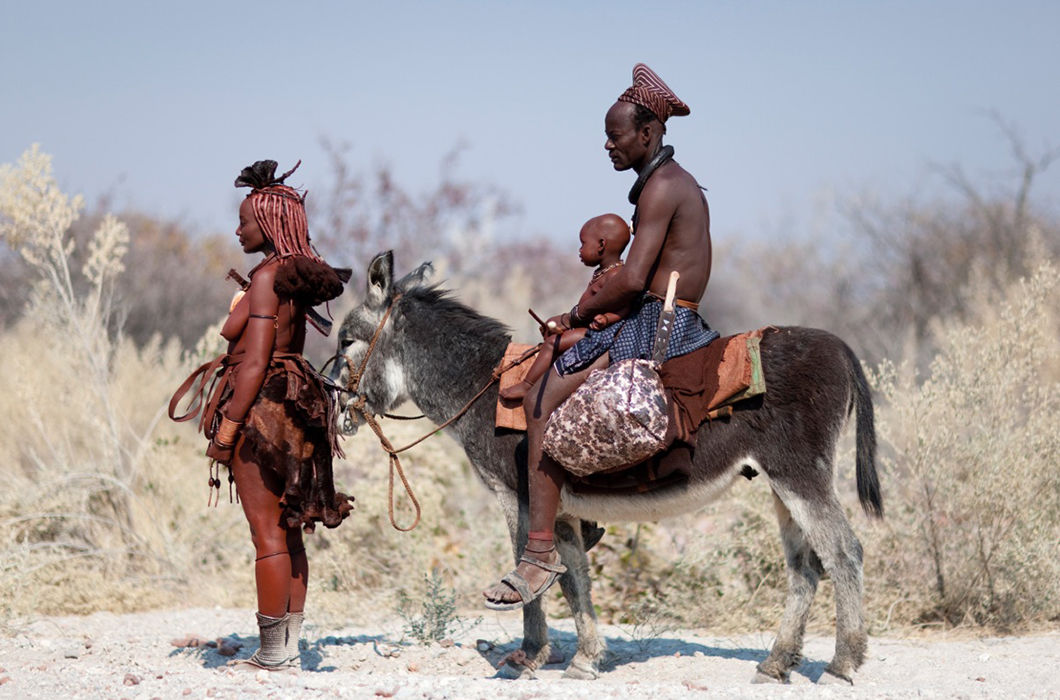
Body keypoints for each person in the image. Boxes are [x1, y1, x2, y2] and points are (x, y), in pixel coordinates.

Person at [484, 64, 718, 610]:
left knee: (541, 401)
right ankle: (581, 518)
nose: (607, 145)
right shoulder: (664, 183)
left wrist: (572, 317)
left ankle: (539, 555)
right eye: (607, 135)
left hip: (662, 324)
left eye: (615, 135)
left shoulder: (662, 187)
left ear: (649, 133)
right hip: (659, 314)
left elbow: (634, 279)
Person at [169, 160, 354, 669]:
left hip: (264, 407)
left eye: (245, 221)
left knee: (268, 533)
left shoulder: (270, 276)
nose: (237, 229)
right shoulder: (291, 275)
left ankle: (272, 656)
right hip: (297, 399)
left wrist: (227, 429)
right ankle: (286, 649)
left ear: (267, 225)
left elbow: (252, 362)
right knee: (289, 531)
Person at [499, 213, 631, 404]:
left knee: (553, 343)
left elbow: (625, 308)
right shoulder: (604, 273)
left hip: (600, 335)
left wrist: (607, 319)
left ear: (601, 245)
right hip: (589, 329)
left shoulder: (616, 275)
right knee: (555, 338)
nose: (579, 250)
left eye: (583, 244)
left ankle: (527, 385)